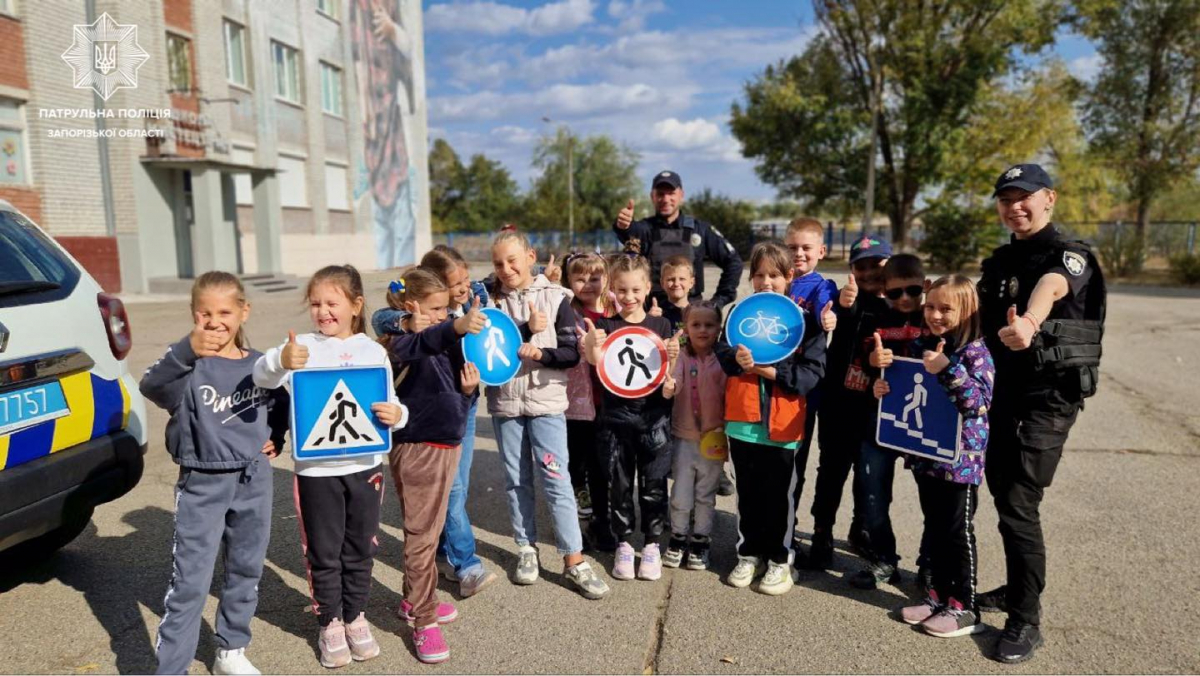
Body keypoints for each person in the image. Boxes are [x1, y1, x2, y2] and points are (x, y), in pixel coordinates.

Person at [976, 163, 1106, 664]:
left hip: (1048, 400)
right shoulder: (1000, 262)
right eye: (1005, 199)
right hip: (1002, 395)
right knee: (1002, 490)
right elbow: (973, 313)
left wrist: (1030, 321)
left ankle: (1025, 620)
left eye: (1024, 196)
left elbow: (1053, 285)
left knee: (1017, 500)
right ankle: (1016, 589)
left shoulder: (1069, 256)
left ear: (1048, 198)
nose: (1014, 207)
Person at [253, 265, 407, 669]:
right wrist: (279, 359)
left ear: (356, 306)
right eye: (316, 303)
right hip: (316, 473)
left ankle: (356, 615)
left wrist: (398, 415)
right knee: (323, 551)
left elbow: (392, 402)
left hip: (365, 467)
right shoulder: (300, 347)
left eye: (332, 303)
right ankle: (330, 622)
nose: (323, 311)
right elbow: (262, 378)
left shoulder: (374, 352)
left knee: (360, 547)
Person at [140, 272, 289, 676]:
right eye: (204, 313)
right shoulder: (188, 366)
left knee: (246, 568)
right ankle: (172, 668)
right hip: (202, 483)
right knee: (190, 581)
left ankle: (231, 650)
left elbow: (279, 399)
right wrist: (185, 350)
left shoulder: (259, 363)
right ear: (194, 315)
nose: (215, 321)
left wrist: (277, 435)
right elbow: (151, 385)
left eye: (225, 311)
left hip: (253, 479)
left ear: (244, 311)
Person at [487, 227, 611, 600]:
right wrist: (523, 331)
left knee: (557, 481)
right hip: (506, 404)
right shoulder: (489, 301)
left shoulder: (557, 298)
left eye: (512, 260)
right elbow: (485, 351)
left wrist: (541, 354)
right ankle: (526, 549)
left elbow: (571, 354)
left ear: (531, 256)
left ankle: (573, 559)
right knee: (516, 479)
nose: (506, 269)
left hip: (547, 405)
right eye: (498, 263)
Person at [371, 247, 499, 599]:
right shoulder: (416, 326)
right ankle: (467, 565)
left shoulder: (475, 298)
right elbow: (387, 321)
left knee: (452, 492)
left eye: (465, 280)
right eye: (454, 283)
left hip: (461, 407)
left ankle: (442, 555)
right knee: (452, 493)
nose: (462, 288)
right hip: (426, 426)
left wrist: (468, 391)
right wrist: (412, 321)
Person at [873, 275, 993, 638]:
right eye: (930, 307)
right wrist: (885, 388)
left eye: (945, 308)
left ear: (968, 310)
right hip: (928, 456)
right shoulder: (925, 343)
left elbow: (978, 403)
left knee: (958, 532)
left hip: (961, 461)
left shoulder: (976, 353)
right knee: (936, 528)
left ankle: (965, 606)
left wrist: (948, 369)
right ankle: (937, 596)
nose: (935, 314)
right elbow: (911, 389)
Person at [378, 268, 486, 664]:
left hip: (447, 444)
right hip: (417, 447)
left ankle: (414, 600)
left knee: (429, 529)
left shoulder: (447, 339)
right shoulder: (402, 341)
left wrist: (469, 392)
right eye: (436, 308)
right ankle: (423, 621)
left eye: (446, 309)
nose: (443, 315)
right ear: (411, 308)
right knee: (421, 537)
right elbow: (422, 341)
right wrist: (454, 325)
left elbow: (458, 394)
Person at [719, 242, 826, 596]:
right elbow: (722, 356)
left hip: (784, 426)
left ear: (789, 277)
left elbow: (811, 373)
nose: (767, 282)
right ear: (750, 279)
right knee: (748, 495)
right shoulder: (738, 314)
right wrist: (738, 359)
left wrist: (769, 371)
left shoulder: (805, 322)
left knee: (781, 496)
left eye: (775, 275)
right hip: (743, 423)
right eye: (759, 274)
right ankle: (749, 553)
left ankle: (781, 559)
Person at [583, 253, 682, 582]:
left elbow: (668, 374)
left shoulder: (661, 325)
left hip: (654, 419)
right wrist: (591, 344)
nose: (629, 297)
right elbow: (598, 363)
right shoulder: (605, 326)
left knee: (653, 486)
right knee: (620, 486)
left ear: (648, 287)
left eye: (635, 290)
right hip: (616, 421)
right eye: (622, 290)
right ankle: (624, 543)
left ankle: (652, 544)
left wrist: (671, 370)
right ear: (612, 289)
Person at [804, 236, 891, 570]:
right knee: (831, 470)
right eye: (861, 266)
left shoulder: (896, 304)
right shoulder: (843, 300)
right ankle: (822, 532)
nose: (869, 272)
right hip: (838, 403)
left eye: (876, 265)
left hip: (875, 405)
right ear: (851, 269)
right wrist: (844, 303)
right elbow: (838, 310)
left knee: (869, 474)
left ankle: (861, 528)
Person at [854, 253, 933, 591]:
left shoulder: (937, 316)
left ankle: (930, 564)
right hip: (881, 420)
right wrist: (873, 363)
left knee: (934, 499)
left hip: (925, 426)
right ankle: (884, 559)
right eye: (894, 293)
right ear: (883, 291)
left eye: (912, 291)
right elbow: (861, 363)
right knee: (871, 494)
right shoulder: (873, 317)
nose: (904, 299)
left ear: (925, 287)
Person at [782, 217, 838, 561]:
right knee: (776, 463)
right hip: (773, 385)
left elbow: (825, 309)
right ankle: (774, 526)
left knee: (796, 466)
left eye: (806, 248)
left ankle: (790, 530)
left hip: (804, 393)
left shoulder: (821, 286)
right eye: (792, 247)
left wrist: (827, 318)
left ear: (822, 250)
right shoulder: (779, 282)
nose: (799, 254)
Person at [660, 302, 728, 571]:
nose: (702, 330)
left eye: (709, 325)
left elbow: (730, 393)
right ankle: (677, 537)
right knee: (681, 493)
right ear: (686, 328)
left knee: (706, 493)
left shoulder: (724, 358)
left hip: (715, 438)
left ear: (718, 329)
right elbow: (671, 384)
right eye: (696, 324)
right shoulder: (682, 358)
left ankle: (700, 539)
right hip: (684, 438)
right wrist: (668, 387)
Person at [613, 170, 743, 309]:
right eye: (661, 194)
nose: (665, 199)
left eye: (671, 193)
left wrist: (718, 301)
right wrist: (623, 226)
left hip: (692, 316)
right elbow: (630, 233)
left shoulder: (699, 229)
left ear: (681, 195)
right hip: (653, 313)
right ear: (652, 196)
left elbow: (733, 262)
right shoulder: (645, 229)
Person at [561, 252, 613, 535]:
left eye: (595, 277)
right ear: (568, 281)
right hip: (576, 402)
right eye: (579, 279)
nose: (588, 284)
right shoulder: (566, 311)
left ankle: (602, 518)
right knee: (575, 459)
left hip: (609, 401)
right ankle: (580, 498)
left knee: (601, 464)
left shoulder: (618, 307)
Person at [648, 254, 693, 333]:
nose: (676, 283)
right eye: (671, 279)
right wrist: (649, 321)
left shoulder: (697, 312)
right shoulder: (657, 313)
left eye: (682, 279)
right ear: (662, 283)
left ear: (691, 282)